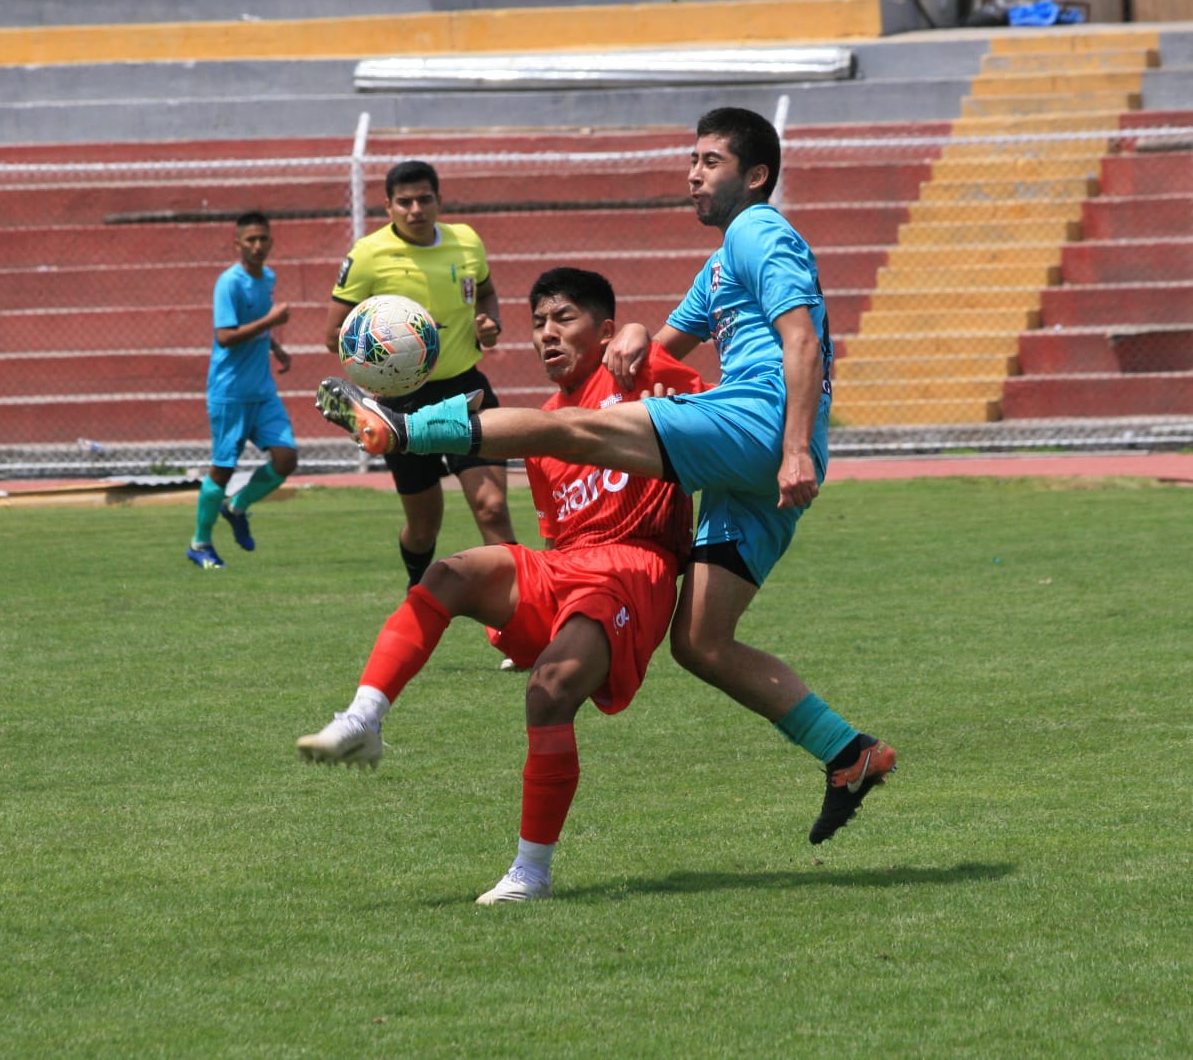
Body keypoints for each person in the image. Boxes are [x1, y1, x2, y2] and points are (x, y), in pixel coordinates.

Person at [315, 108, 897, 845]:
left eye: (710, 161)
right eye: (691, 159)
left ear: (754, 176)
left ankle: (401, 427)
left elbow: (801, 338)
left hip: (759, 423)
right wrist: (628, 331)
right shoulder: (720, 265)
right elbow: (652, 346)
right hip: (752, 467)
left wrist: (794, 449)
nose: (692, 172)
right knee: (702, 642)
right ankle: (850, 753)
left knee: (574, 430)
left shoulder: (758, 230)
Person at [299, 267, 705, 903]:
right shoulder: (541, 424)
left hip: (634, 565)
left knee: (548, 695)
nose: (546, 333)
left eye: (563, 319)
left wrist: (639, 333)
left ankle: (530, 873)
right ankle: (363, 719)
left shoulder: (638, 371)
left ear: (602, 331)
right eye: (538, 322)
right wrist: (523, 616)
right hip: (569, 565)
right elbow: (557, 541)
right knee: (452, 572)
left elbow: (714, 405)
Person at [325, 159, 516, 592]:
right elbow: (332, 334)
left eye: (424, 199)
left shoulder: (466, 241)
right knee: (424, 525)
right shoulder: (368, 256)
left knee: (491, 507)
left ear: (439, 200)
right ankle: (418, 592)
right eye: (404, 201)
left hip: (465, 388)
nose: (416, 209)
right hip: (401, 406)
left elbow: (485, 293)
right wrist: (382, 345)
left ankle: (519, 619)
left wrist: (489, 323)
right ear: (388, 206)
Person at [187, 210, 297, 569]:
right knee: (222, 469)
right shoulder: (229, 283)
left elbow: (257, 327)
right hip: (230, 392)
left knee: (286, 458)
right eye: (250, 239)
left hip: (262, 390)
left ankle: (236, 506)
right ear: (237, 244)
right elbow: (226, 336)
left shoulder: (267, 277)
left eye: (263, 238)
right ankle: (200, 543)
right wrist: (271, 322)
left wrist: (275, 346)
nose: (258, 245)